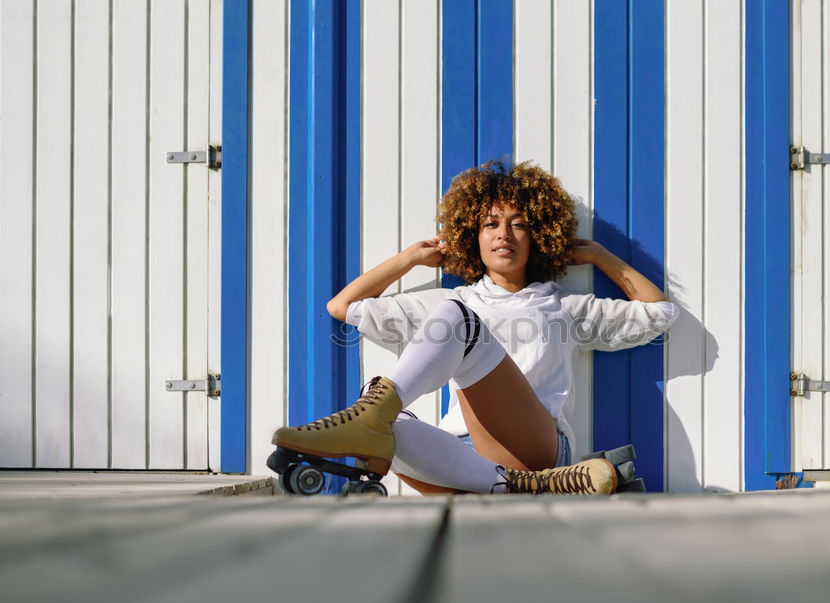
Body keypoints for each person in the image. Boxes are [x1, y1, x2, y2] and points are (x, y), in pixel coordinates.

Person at [270, 160, 677, 494]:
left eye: (519, 224)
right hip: (455, 458)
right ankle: (520, 488)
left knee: (454, 317)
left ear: (539, 236)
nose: (504, 235)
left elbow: (659, 315)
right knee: (390, 419)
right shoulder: (456, 299)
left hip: (534, 445)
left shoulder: (562, 306)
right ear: (472, 236)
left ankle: (514, 476)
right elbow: (343, 306)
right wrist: (409, 258)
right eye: (490, 224)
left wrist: (603, 257)